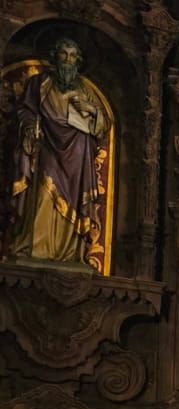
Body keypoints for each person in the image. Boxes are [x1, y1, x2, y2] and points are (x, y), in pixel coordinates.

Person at [7, 37, 112, 271]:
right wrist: (31, 124)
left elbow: (104, 125)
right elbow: (24, 110)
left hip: (78, 154)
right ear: (55, 57)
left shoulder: (85, 89)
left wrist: (92, 110)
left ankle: (70, 253)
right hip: (47, 147)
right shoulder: (39, 83)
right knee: (43, 196)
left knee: (74, 205)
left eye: (73, 56)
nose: (68, 60)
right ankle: (33, 248)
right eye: (64, 54)